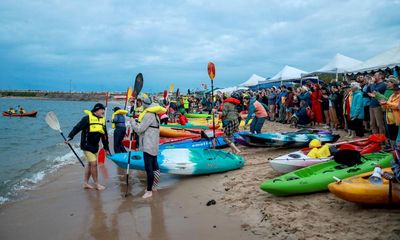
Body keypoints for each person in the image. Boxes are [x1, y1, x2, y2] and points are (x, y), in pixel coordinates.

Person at [66, 103, 110, 190]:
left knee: (90, 164)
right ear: (97, 110)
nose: (103, 111)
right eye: (102, 109)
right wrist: (70, 137)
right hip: (86, 145)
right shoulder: (87, 119)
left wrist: (106, 148)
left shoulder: (102, 120)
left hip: (95, 146)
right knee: (94, 164)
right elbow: (77, 128)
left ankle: (85, 183)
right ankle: (97, 184)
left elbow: (104, 136)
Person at [131, 94, 165, 198]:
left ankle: (149, 190)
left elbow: (140, 129)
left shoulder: (149, 114)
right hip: (154, 143)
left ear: (146, 105)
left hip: (148, 144)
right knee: (155, 166)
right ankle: (154, 187)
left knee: (149, 167)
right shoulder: (155, 114)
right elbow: (148, 127)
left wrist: (132, 122)